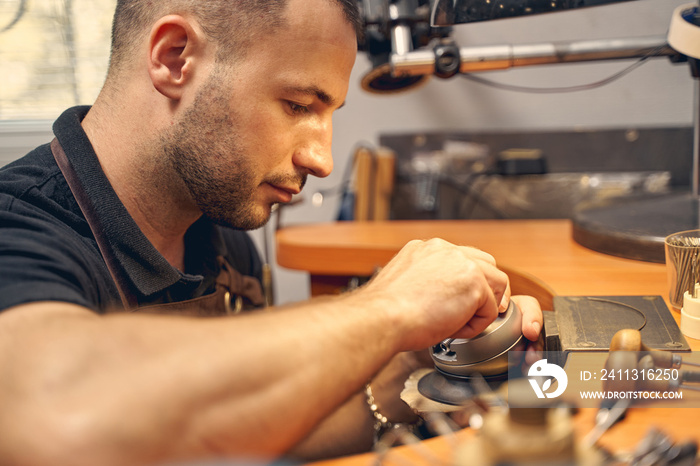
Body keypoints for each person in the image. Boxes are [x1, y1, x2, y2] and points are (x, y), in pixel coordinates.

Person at [0, 0, 543, 464]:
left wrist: (418, 362)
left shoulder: (222, 230)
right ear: (174, 58)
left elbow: (240, 428)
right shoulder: (17, 226)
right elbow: (53, 409)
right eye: (298, 105)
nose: (323, 159)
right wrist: (392, 306)